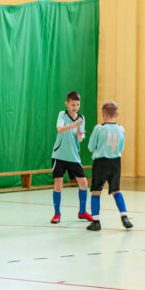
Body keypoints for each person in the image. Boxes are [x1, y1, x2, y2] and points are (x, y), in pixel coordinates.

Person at [86, 101, 133, 231]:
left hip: (101, 162)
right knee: (116, 190)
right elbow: (121, 148)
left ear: (102, 113)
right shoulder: (121, 129)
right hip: (115, 162)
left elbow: (90, 147)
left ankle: (96, 222)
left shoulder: (99, 128)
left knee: (96, 192)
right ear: (117, 114)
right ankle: (124, 217)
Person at [50, 91, 93, 224]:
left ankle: (82, 212)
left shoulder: (81, 118)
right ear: (67, 104)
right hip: (59, 156)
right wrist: (74, 125)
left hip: (74, 156)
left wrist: (79, 135)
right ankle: (57, 214)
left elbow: (80, 139)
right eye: (73, 104)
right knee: (58, 185)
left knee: (84, 183)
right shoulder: (62, 115)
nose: (75, 107)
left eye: (78, 104)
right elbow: (60, 130)